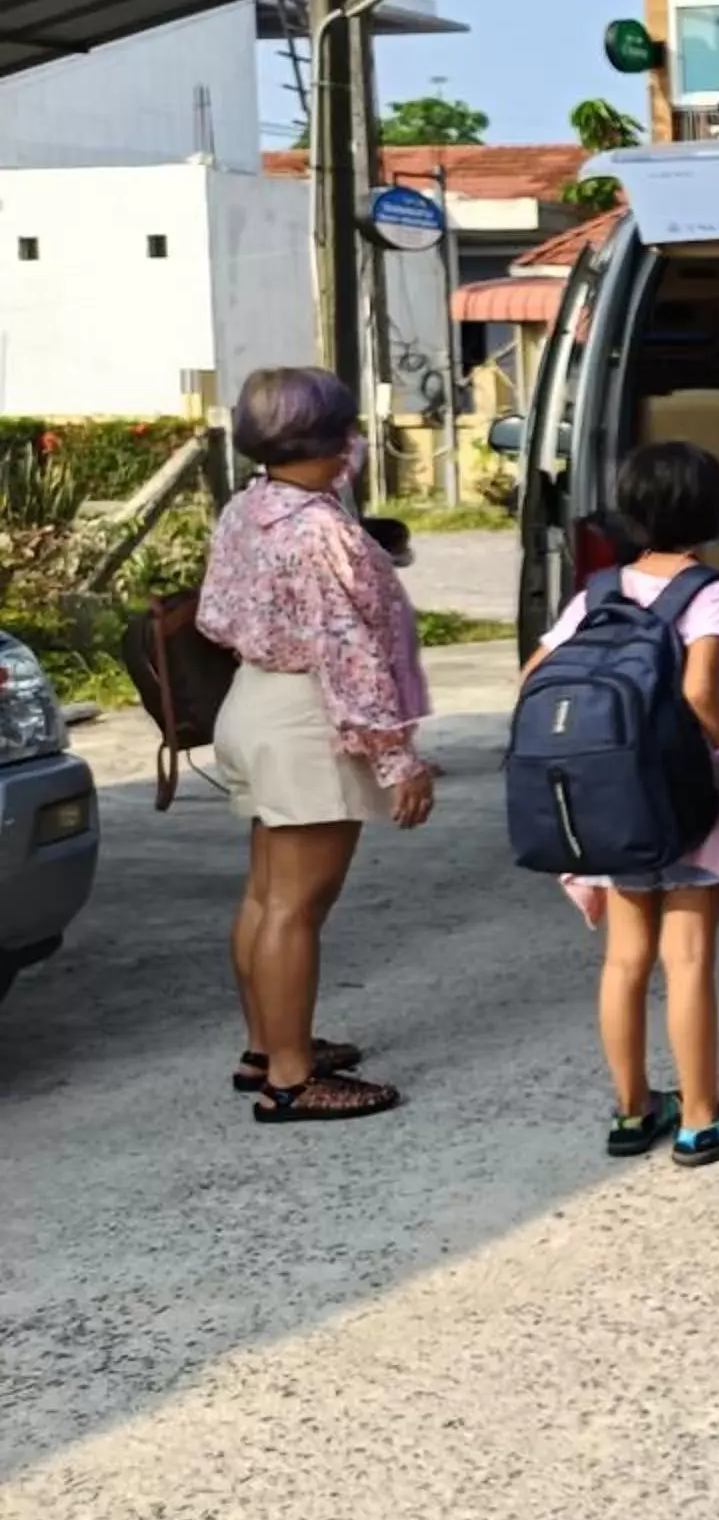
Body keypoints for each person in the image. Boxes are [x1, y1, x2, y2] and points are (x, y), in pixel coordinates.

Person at [523, 441, 719, 1165]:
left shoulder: (599, 591)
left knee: (624, 960)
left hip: (611, 801)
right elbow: (703, 689)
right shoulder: (712, 594)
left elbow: (534, 677)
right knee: (690, 958)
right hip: (685, 798)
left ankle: (633, 1108)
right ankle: (704, 1120)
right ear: (715, 512)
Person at [197, 366, 434, 1122]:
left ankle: (268, 1044)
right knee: (298, 904)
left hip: (257, 698)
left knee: (269, 894)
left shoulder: (251, 506)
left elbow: (215, 611)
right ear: (335, 439)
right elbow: (351, 656)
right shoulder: (322, 531)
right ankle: (292, 1080)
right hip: (310, 716)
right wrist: (400, 760)